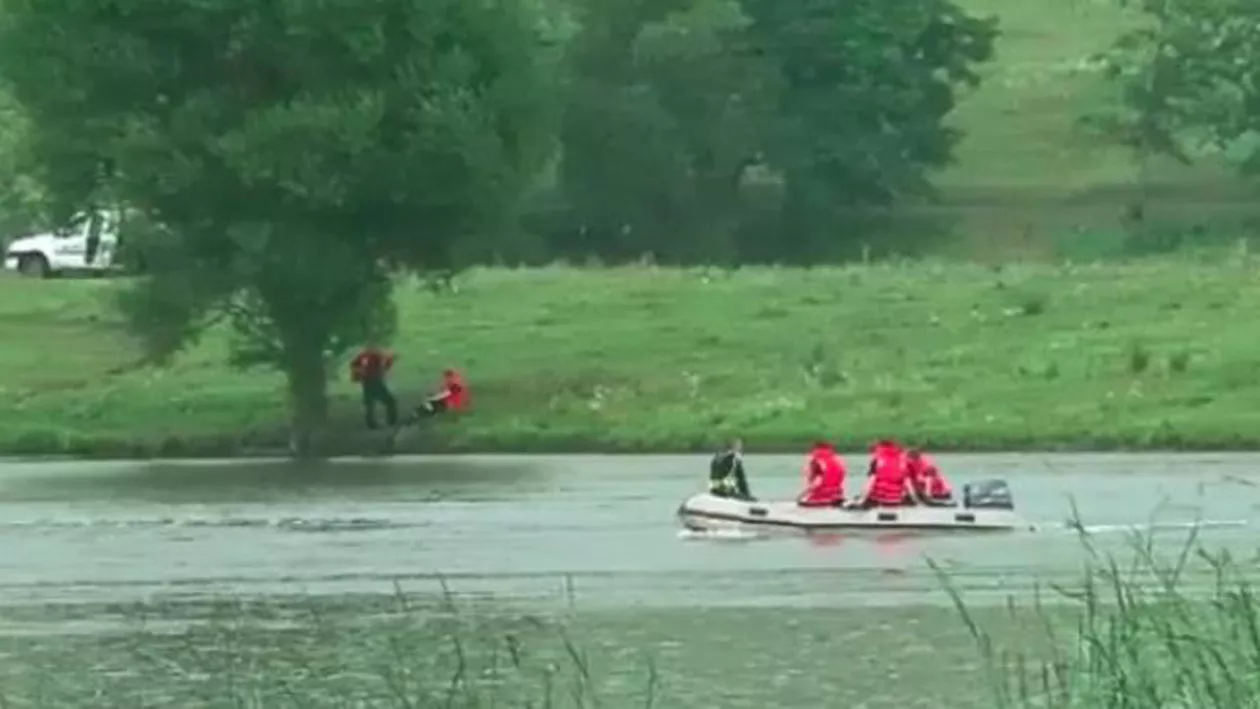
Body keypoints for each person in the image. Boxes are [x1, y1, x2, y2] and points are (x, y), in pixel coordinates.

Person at [350, 342, 398, 430]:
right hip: (375, 381)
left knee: (369, 403)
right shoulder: (376, 355)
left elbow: (353, 365)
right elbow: (385, 365)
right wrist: (391, 359)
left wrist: (359, 374)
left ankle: (371, 424)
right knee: (390, 401)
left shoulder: (362, 356)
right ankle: (391, 421)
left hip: (366, 382)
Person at [852, 439, 910, 508]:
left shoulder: (877, 460)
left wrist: (861, 500)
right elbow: (907, 484)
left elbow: (871, 483)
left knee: (854, 501)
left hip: (879, 499)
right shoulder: (902, 460)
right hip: (897, 499)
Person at [797, 441, 846, 507]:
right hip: (837, 496)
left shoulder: (816, 461)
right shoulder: (837, 461)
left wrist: (805, 492)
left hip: (819, 498)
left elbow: (817, 481)